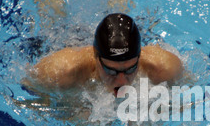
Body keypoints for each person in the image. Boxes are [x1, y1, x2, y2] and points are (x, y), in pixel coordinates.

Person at [23, 13, 183, 97]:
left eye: (130, 69)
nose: (121, 81)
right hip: (65, 37)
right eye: (111, 71)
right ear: (95, 56)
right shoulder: (61, 72)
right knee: (52, 11)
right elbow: (28, 92)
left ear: (140, 56)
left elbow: (188, 101)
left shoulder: (165, 68)